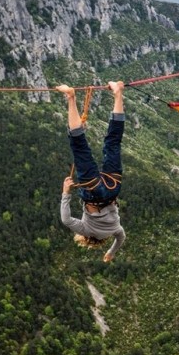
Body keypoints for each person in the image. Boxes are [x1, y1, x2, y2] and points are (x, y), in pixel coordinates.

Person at [57, 81, 126, 263]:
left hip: (113, 189)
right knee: (80, 147)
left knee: (113, 142)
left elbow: (121, 239)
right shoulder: (86, 231)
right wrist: (66, 192)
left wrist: (111, 253)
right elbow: (66, 220)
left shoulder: (115, 230)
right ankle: (71, 97)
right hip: (93, 192)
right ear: (87, 239)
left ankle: (118, 93)